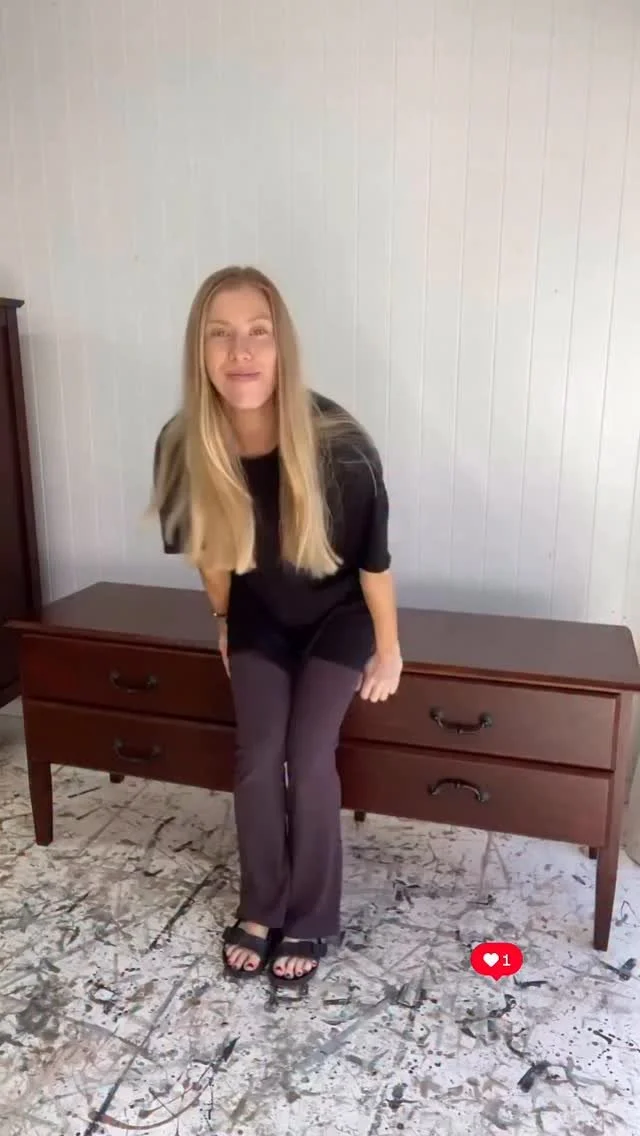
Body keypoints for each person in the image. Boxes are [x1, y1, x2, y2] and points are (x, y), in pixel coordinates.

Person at [152, 266, 402, 989]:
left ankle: (313, 913)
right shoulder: (181, 445)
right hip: (260, 617)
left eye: (257, 332)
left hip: (340, 618)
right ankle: (263, 906)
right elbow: (210, 557)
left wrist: (390, 649)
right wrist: (225, 622)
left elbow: (375, 566)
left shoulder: (340, 444)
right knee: (259, 755)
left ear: (281, 345)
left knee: (308, 750)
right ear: (199, 350)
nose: (240, 351)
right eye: (220, 334)